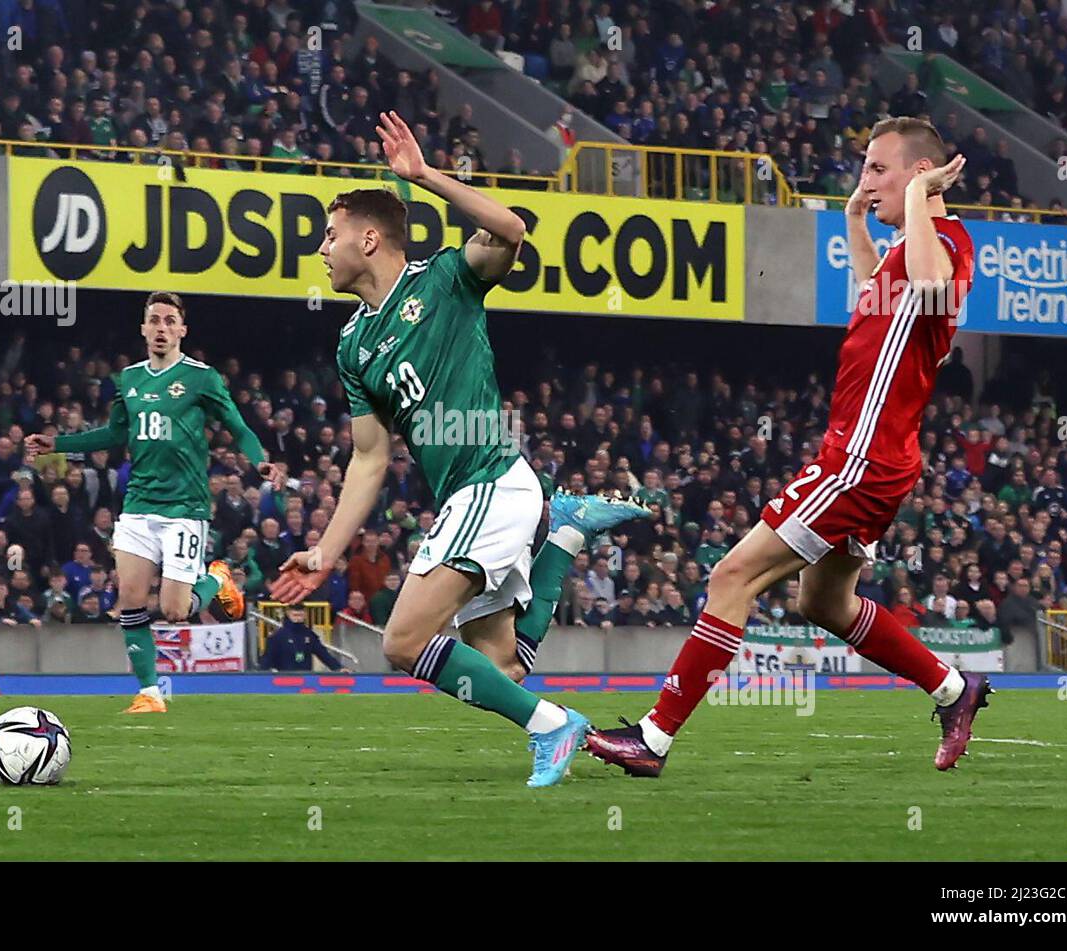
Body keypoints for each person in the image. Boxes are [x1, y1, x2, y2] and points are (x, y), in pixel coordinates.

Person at [588, 116, 993, 778]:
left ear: (921, 175)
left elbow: (928, 287)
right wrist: (857, 224)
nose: (865, 179)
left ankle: (653, 738)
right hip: (875, 455)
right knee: (822, 603)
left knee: (731, 576)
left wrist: (919, 200)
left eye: (878, 169)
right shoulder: (910, 245)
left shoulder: (944, 239)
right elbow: (880, 296)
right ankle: (954, 687)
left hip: (858, 459)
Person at [268, 111, 647, 788]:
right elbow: (369, 459)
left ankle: (553, 725)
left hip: (490, 481)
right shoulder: (353, 344)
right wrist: (326, 551)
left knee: (403, 640)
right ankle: (562, 536)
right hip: (469, 496)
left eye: (332, 235)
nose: (322, 248)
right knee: (502, 669)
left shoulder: (444, 279)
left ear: (371, 237)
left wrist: (424, 176)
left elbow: (511, 230)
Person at [26, 292, 280, 714]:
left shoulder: (201, 378)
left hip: (184, 508)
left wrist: (261, 462)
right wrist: (59, 444)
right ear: (143, 329)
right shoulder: (128, 380)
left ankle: (217, 579)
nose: (161, 328)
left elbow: (238, 427)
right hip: (140, 504)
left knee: (175, 610)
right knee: (130, 599)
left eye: (169, 321)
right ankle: (150, 693)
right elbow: (112, 435)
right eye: (154, 320)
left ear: (182, 329)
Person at [261, 604, 345, 671]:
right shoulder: (277, 636)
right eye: (295, 615)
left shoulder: (309, 635)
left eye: (300, 615)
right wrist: (264, 674)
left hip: (305, 677)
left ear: (305, 615)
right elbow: (267, 658)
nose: (297, 618)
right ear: (288, 614)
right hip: (284, 677)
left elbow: (323, 653)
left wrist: (338, 668)